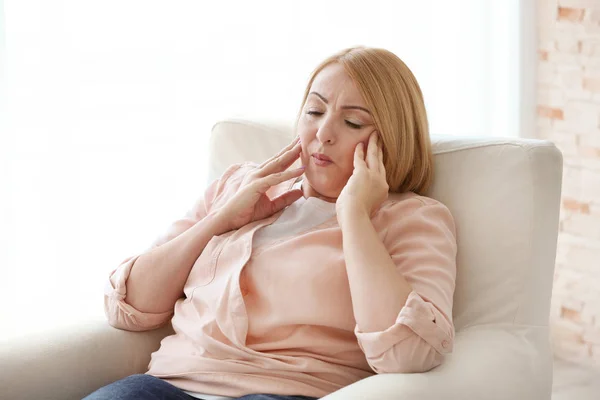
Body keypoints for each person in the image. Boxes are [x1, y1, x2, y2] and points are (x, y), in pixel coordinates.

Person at [85, 46, 457, 400]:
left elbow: (409, 352)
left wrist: (354, 216)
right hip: (169, 385)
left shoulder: (414, 219)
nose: (323, 133)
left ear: (390, 139)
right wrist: (219, 220)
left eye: (352, 121)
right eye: (314, 111)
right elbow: (127, 306)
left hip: (287, 390)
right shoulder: (238, 185)